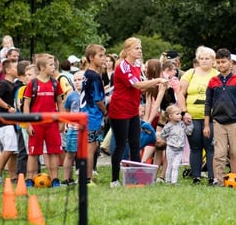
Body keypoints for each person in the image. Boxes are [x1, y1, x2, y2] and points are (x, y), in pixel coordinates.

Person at [107, 37, 167, 188]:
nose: (140, 50)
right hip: (119, 111)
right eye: (136, 48)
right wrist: (158, 80)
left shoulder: (137, 65)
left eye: (140, 48)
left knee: (136, 144)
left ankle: (136, 179)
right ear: (127, 51)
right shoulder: (123, 66)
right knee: (121, 145)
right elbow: (137, 85)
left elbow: (142, 87)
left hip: (133, 110)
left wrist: (161, 87)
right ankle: (114, 179)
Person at [205, 48, 236, 186]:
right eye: (218, 62)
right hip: (218, 122)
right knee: (219, 154)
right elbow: (208, 104)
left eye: (223, 62)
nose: (221, 65)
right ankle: (219, 180)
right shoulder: (212, 81)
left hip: (235, 122)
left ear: (230, 63)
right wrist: (206, 125)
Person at [22, 54, 65, 187]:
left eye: (54, 65)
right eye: (51, 65)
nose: (54, 67)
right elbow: (26, 104)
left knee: (53, 152)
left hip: (52, 123)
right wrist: (28, 123)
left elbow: (60, 103)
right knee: (33, 153)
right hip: (36, 123)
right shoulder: (33, 84)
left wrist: (62, 121)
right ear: (42, 67)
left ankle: (55, 179)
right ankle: (29, 179)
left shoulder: (55, 83)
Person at [178, 46, 219, 185]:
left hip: (211, 117)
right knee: (195, 147)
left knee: (210, 147)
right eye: (201, 58)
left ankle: (212, 177)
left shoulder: (217, 75)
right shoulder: (190, 73)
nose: (204, 61)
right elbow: (180, 93)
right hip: (192, 116)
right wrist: (184, 112)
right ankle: (196, 176)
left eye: (207, 58)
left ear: (213, 60)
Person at [0, 59, 19, 185]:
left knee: (14, 151)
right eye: (16, 67)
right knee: (10, 148)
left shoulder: (15, 85)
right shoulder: (3, 84)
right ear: (8, 70)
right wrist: (8, 107)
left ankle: (13, 177)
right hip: (4, 121)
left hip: (13, 122)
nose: (18, 69)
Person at [82, 44, 108, 185]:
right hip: (92, 116)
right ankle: (87, 178)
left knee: (93, 146)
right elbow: (98, 99)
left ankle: (88, 176)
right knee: (90, 148)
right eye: (100, 56)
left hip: (86, 114)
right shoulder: (95, 76)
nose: (104, 58)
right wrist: (106, 111)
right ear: (91, 57)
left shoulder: (87, 74)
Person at [61, 70, 84, 185]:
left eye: (80, 79)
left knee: (84, 154)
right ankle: (66, 179)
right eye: (75, 80)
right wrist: (67, 124)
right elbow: (66, 110)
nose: (77, 82)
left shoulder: (89, 94)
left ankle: (83, 177)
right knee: (70, 154)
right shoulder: (71, 95)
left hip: (86, 128)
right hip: (73, 129)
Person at [160, 105, 192, 184]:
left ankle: (174, 181)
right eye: (177, 114)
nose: (180, 115)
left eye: (180, 114)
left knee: (176, 165)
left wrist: (190, 124)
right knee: (170, 165)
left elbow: (189, 132)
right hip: (171, 148)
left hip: (180, 149)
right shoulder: (168, 126)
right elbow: (162, 135)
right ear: (170, 116)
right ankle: (168, 181)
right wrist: (168, 140)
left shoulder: (182, 124)